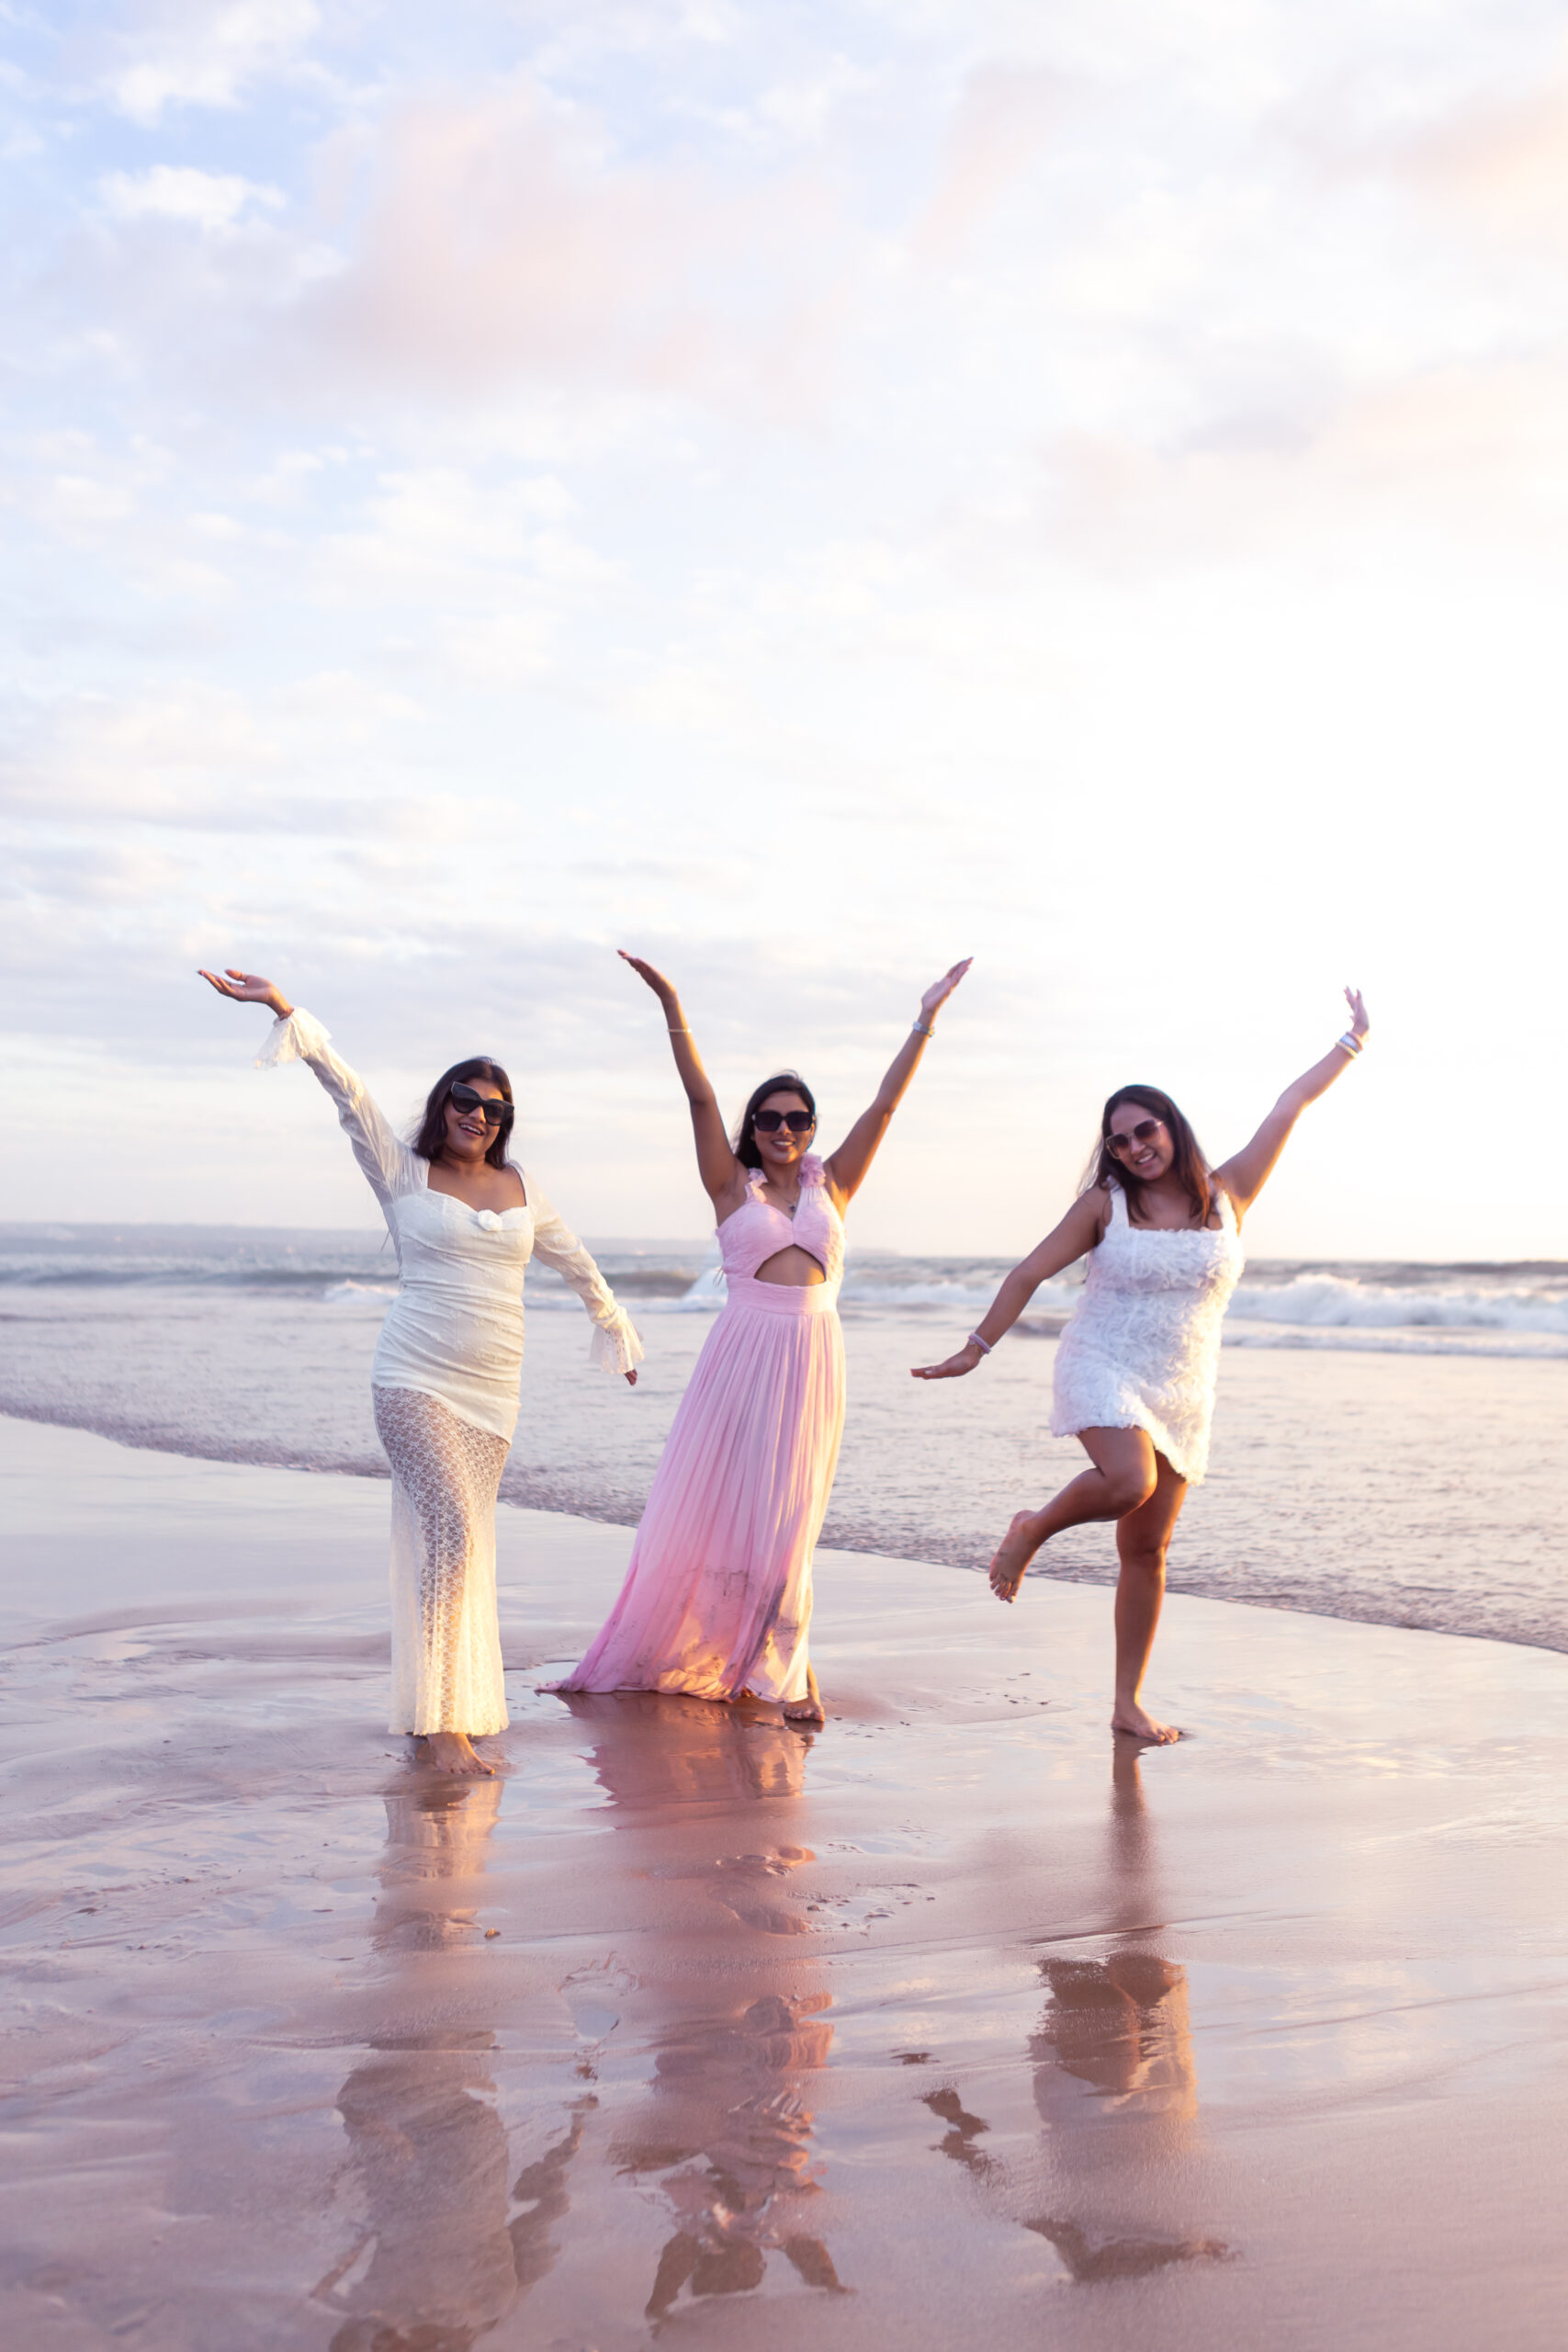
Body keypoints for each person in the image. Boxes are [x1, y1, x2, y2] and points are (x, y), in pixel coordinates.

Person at [198, 967, 642, 1775]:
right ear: (444, 1104)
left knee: (461, 1546)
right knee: (452, 1533)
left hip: (494, 1394)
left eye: (495, 1109)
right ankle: (442, 1733)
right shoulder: (400, 1169)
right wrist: (287, 1010)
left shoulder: (521, 1186)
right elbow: (349, 1094)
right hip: (414, 1378)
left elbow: (573, 1258)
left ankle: (440, 1710)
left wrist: (612, 1325)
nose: (479, 1115)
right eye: (466, 1100)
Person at [913, 989, 1371, 1745]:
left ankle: (1126, 1703)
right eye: (1119, 1141)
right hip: (1102, 1360)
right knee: (1129, 1483)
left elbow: (1287, 1106)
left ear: (1170, 1126)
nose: (1133, 1148)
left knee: (1146, 1550)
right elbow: (1029, 1272)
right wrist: (975, 1347)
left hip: (1183, 1387)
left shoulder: (1229, 1192)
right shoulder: (1106, 1205)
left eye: (1143, 1131)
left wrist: (1350, 1044)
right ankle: (1033, 1527)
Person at [553, 950, 971, 1727]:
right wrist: (671, 1004)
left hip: (814, 1361)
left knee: (791, 1520)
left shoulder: (831, 1183)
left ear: (811, 1129)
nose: (783, 1130)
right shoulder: (728, 1184)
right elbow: (699, 1096)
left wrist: (924, 1018)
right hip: (743, 1359)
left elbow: (884, 1108)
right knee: (735, 1515)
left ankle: (787, 1664)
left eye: (798, 1120)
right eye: (770, 1119)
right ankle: (772, 1666)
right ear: (753, 1127)